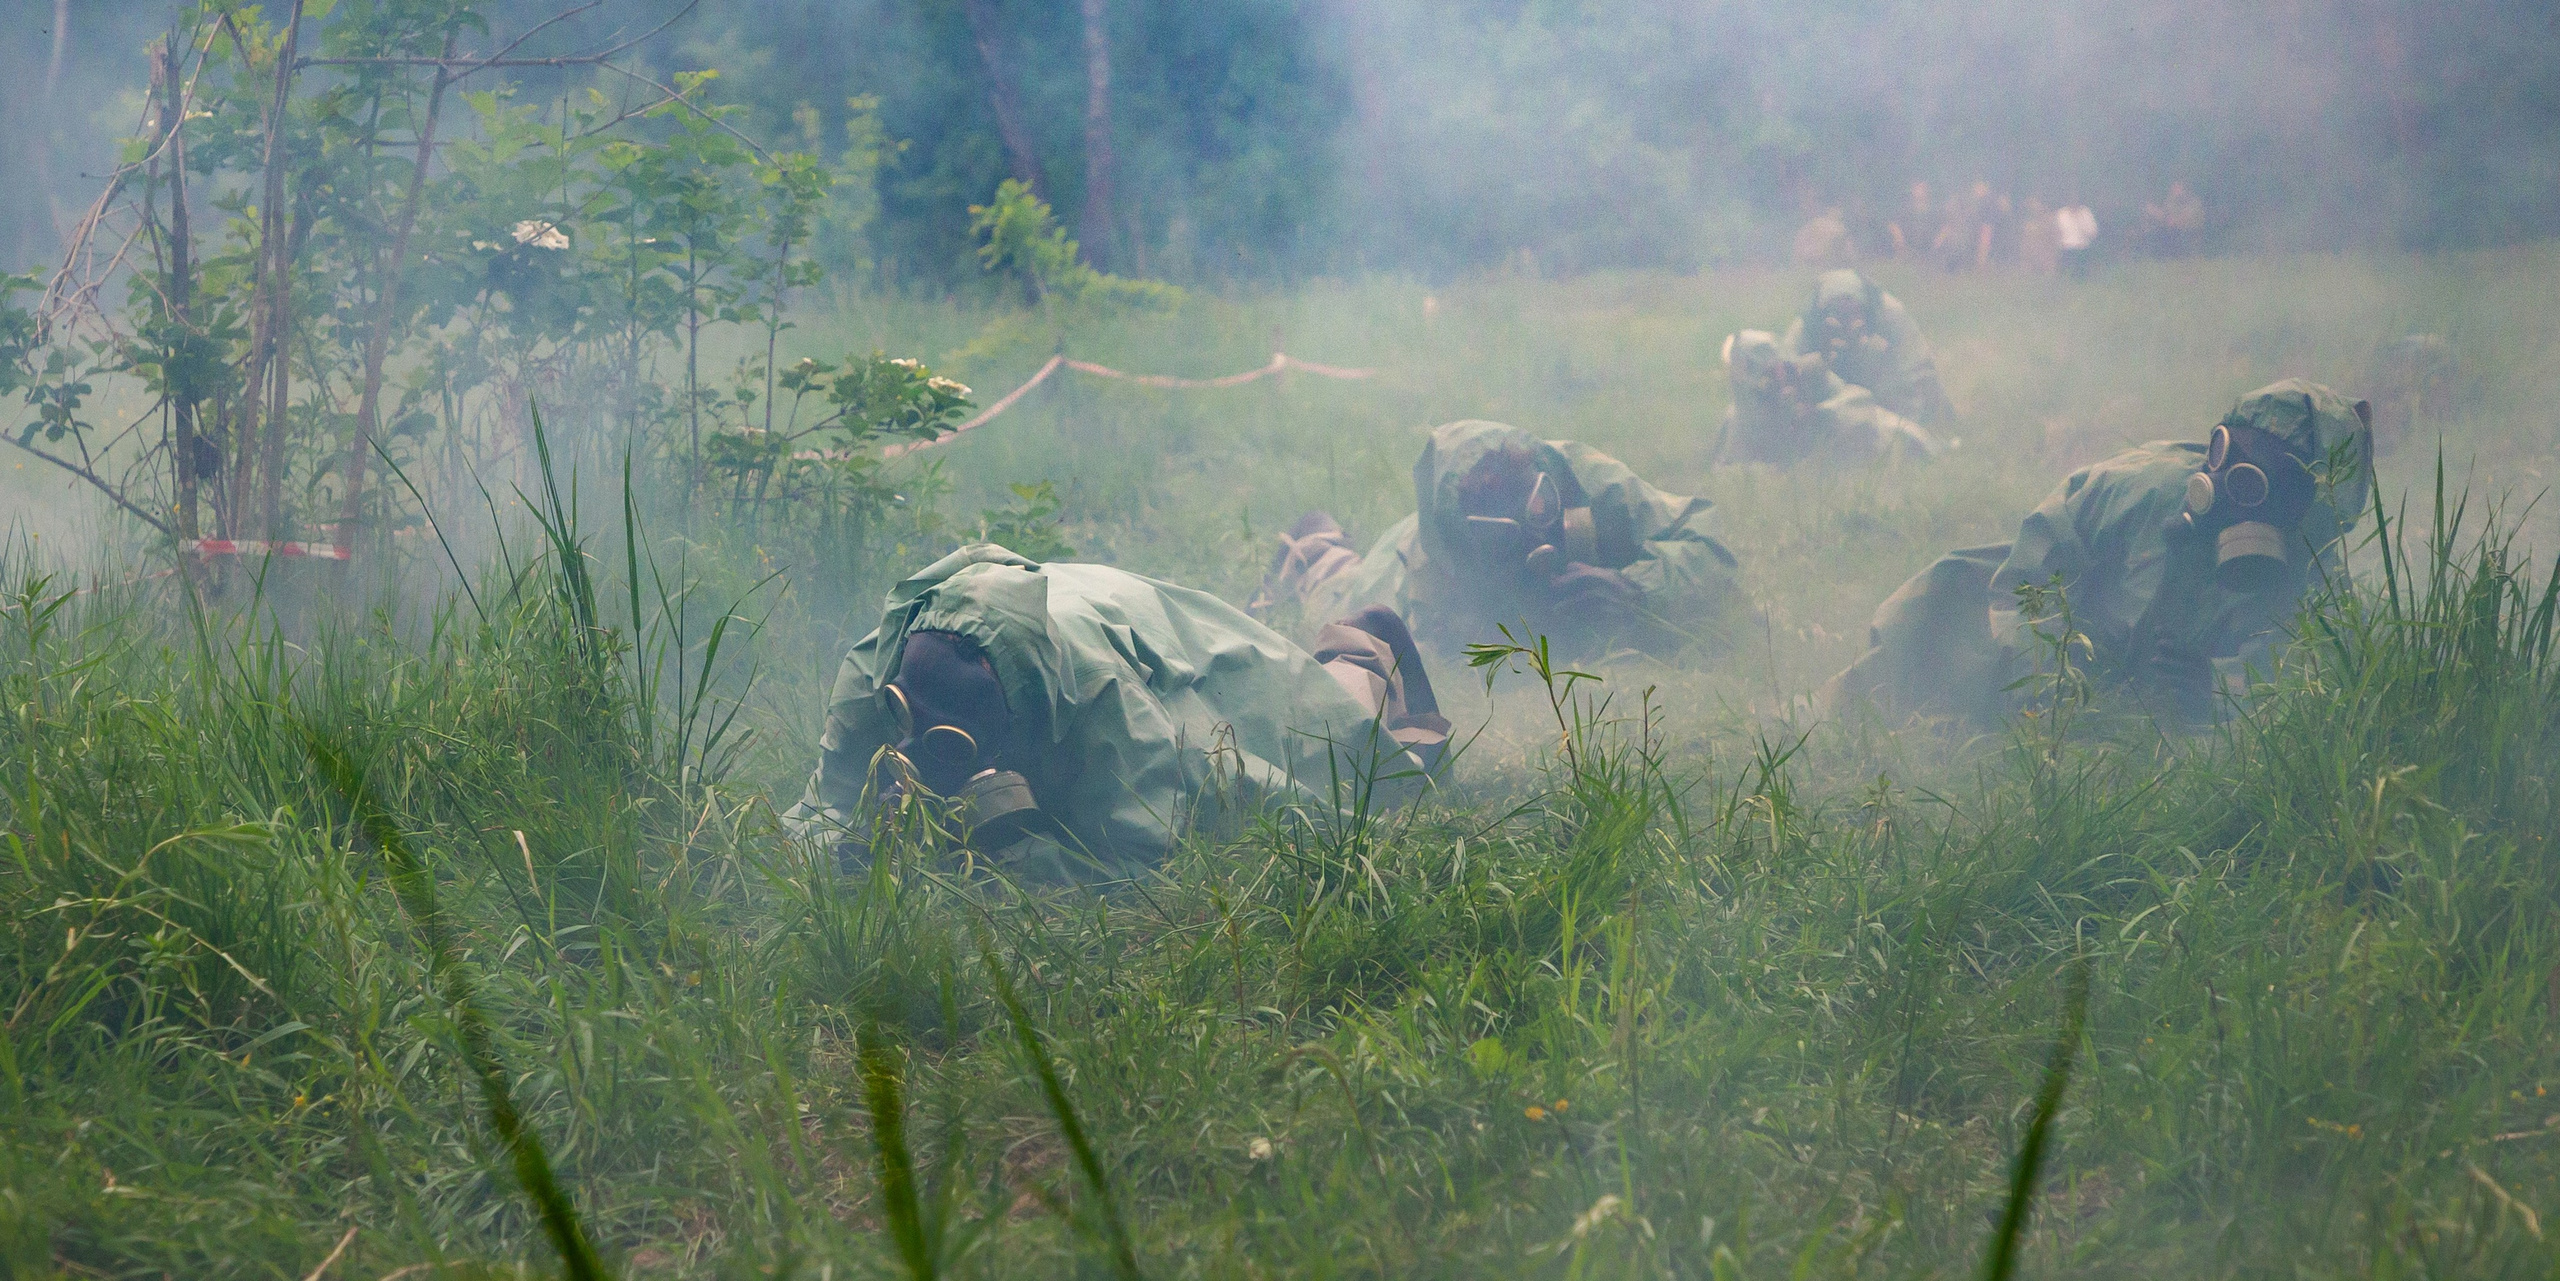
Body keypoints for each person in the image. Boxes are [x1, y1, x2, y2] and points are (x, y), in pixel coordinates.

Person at [787, 544, 1450, 877]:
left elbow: (1141, 851)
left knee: (1313, 754)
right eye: (907, 723)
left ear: (1009, 733)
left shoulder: (1108, 707)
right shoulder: (879, 667)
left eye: (951, 750)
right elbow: (821, 805)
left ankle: (1357, 650)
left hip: (1156, 643)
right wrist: (842, 852)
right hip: (1054, 612)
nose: (916, 755)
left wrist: (1005, 869)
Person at [1819, 379, 2373, 729]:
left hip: (2159, 682)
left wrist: (2215, 691)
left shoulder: (2313, 571)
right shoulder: (2141, 489)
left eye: (2257, 483)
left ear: (2311, 505)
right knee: (1941, 616)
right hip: (2069, 626)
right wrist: (2041, 669)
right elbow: (2032, 569)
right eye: (2228, 455)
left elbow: (2304, 676)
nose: (2227, 485)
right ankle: (1821, 719)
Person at [1253, 420, 1746, 662]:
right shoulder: (1431, 584)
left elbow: (1710, 540)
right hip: (1389, 568)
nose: (1539, 540)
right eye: (1501, 539)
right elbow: (1444, 672)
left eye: (1538, 509)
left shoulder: (1582, 477)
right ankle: (1316, 543)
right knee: (1336, 590)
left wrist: (1638, 590)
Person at [1716, 329, 1939, 468]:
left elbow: (1856, 402)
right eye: (1769, 374)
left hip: (1870, 441)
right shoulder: (1741, 417)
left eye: (1782, 367)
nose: (1781, 377)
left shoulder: (1811, 373)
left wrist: (1820, 414)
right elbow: (1736, 460)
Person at [1779, 269, 1957, 427]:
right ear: (1823, 311)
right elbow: (1786, 366)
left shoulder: (1890, 313)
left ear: (1865, 308)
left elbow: (1917, 367)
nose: (1845, 322)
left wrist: (1910, 424)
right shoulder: (1808, 324)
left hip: (1885, 380)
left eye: (1851, 312)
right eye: (1837, 312)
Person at [2056, 201, 2099, 278]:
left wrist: (2080, 219)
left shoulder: (2085, 212)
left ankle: (2081, 276)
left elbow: (2093, 232)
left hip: (2082, 247)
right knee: (2067, 268)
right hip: (2066, 247)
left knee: (2081, 269)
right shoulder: (2062, 213)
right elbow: (2057, 232)